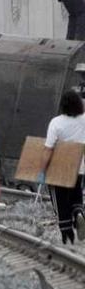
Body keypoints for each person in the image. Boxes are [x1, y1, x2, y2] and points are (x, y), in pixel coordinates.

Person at [38, 90, 85, 244]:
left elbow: (48, 149)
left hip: (58, 169)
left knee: (61, 203)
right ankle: (79, 212)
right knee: (76, 194)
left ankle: (67, 237)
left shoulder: (56, 122)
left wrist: (42, 171)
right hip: (79, 167)